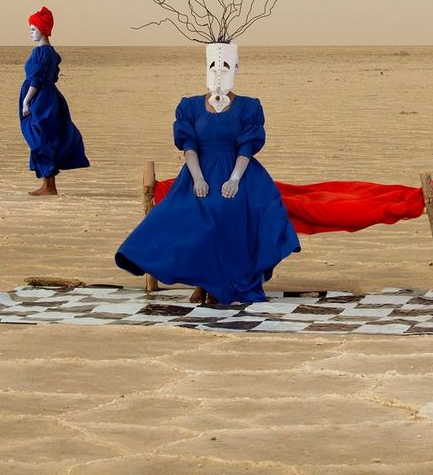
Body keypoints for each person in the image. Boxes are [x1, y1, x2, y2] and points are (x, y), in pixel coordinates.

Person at [115, 41, 300, 304]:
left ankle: (218, 284)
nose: (218, 71)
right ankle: (203, 281)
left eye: (224, 66)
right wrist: (198, 178)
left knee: (228, 210)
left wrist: (235, 179)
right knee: (186, 214)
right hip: (198, 172)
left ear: (235, 68)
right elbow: (189, 146)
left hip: (240, 172)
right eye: (213, 65)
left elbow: (246, 147)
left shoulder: (248, 106)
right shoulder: (190, 106)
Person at [20, 6, 90, 195]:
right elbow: (52, 76)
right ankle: (48, 184)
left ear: (43, 29)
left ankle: (49, 186)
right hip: (51, 98)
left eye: (33, 29)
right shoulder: (52, 53)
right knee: (46, 137)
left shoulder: (40, 53)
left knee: (39, 138)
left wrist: (27, 100)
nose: (31, 33)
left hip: (40, 99)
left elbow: (37, 79)